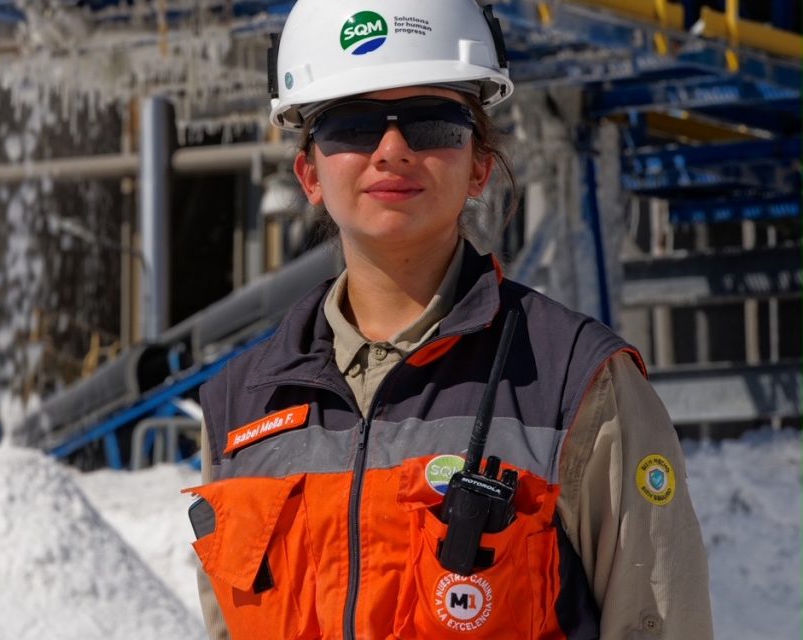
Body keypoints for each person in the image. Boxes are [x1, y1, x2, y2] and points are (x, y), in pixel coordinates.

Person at [187, 0, 713, 638]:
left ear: (480, 165)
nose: (391, 151)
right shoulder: (242, 408)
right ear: (309, 172)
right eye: (352, 125)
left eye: (432, 123)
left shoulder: (577, 382)